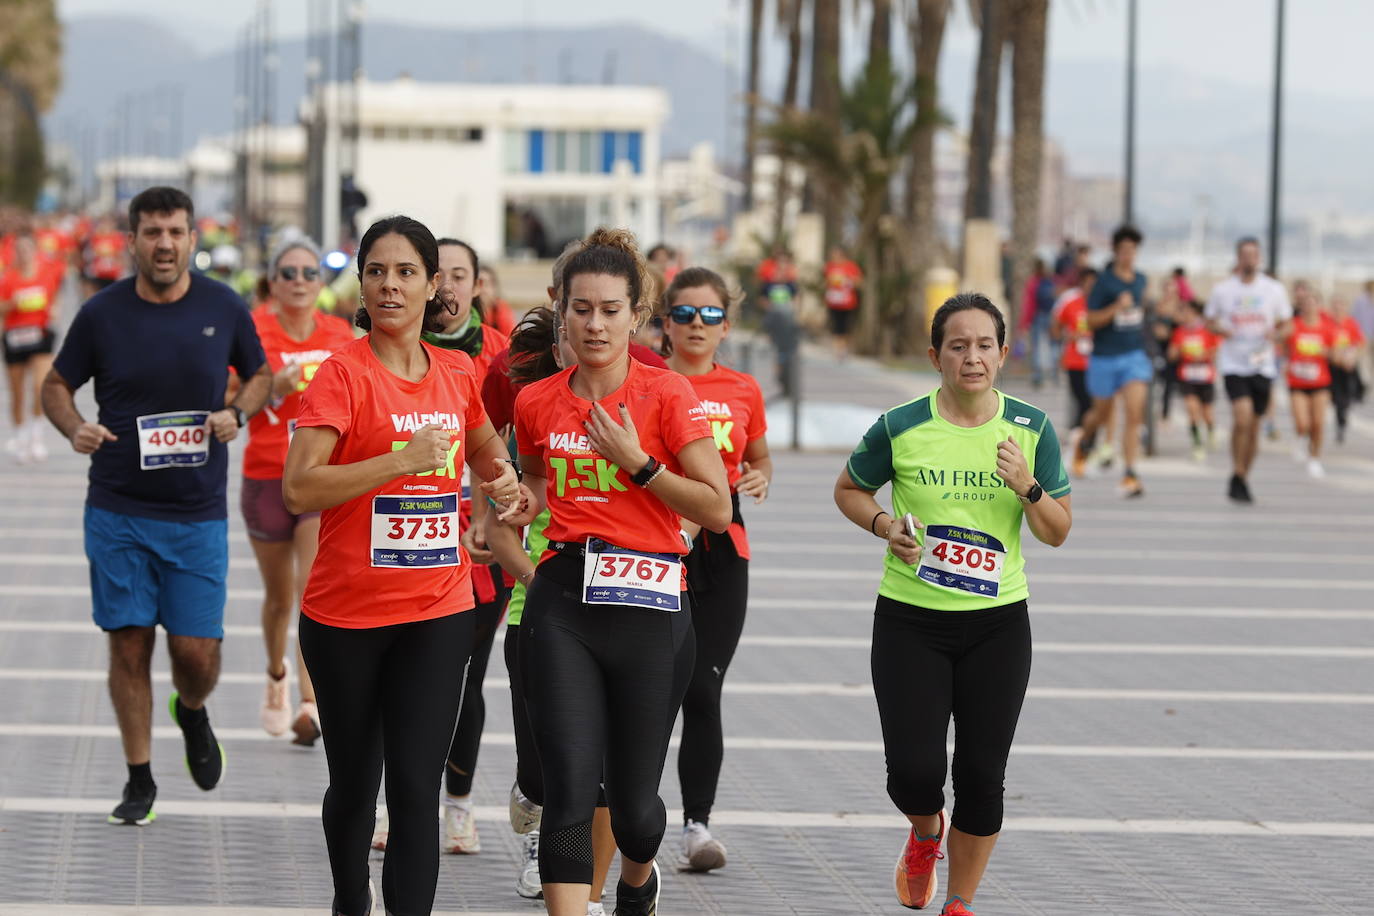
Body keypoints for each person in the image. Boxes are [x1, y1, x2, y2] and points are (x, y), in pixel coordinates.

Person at [282, 215, 522, 916]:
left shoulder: (455, 373)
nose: (391, 284)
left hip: (437, 609)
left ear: (432, 287)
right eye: (378, 271)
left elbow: (487, 455)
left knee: (415, 790)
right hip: (346, 614)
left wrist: (507, 489)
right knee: (355, 786)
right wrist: (398, 462)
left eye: (407, 271)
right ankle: (350, 898)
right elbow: (300, 486)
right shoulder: (342, 375)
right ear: (362, 283)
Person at [505, 227, 731, 916]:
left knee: (633, 809)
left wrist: (641, 464)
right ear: (563, 312)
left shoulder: (666, 396)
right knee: (571, 786)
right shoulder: (537, 401)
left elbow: (717, 509)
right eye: (581, 309)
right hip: (565, 598)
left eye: (610, 310)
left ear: (636, 315)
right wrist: (515, 502)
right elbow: (539, 490)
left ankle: (639, 878)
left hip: (652, 605)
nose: (595, 323)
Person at [834, 292, 1072, 916]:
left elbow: (1057, 529)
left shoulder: (1031, 428)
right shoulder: (902, 425)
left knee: (981, 777)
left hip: (998, 627)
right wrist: (886, 526)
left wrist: (1028, 486)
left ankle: (960, 902)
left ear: (1004, 353)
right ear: (935, 355)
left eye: (985, 345)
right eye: (958, 346)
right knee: (912, 773)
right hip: (911, 621)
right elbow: (849, 490)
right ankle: (923, 831)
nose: (973, 358)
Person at [41, 186, 271, 826]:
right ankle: (139, 777)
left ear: (193, 239)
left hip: (196, 514)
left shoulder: (222, 306)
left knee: (196, 656)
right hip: (117, 509)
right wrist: (73, 427)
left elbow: (259, 374)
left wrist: (238, 412)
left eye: (175, 232)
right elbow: (56, 384)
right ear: (133, 240)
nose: (164, 244)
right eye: (151, 232)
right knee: (129, 645)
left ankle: (191, 711)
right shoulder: (102, 313)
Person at [487, 306, 619, 915]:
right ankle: (533, 803)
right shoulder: (533, 418)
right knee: (542, 763)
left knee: (591, 765)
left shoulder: (631, 413)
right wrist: (542, 581)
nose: (585, 342)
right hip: (534, 611)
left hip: (615, 612)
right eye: (570, 334)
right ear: (558, 343)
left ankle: (579, 881)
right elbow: (499, 531)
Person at [661, 267, 772, 872]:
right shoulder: (646, 380)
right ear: (664, 322)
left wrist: (758, 478)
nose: (696, 325)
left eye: (708, 315)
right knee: (652, 688)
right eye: (683, 314)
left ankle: (697, 827)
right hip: (655, 546)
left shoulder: (743, 390)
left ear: (726, 326)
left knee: (704, 687)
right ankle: (632, 822)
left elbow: (757, 458)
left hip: (724, 552)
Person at [415, 236, 511, 856]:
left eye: (459, 274)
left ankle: (459, 803)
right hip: (409, 533)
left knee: (466, 678)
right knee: (405, 675)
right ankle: (400, 801)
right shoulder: (397, 352)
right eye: (437, 275)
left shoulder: (504, 358)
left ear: (478, 285)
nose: (447, 287)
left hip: (483, 538)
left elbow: (519, 447)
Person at [241, 236, 354, 744]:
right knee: (279, 597)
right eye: (289, 273)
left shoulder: (337, 333)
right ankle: (275, 673)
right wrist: (274, 387)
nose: (301, 282)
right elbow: (226, 397)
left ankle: (310, 703)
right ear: (272, 281)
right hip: (266, 471)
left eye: (310, 273)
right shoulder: (253, 329)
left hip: (317, 475)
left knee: (311, 587)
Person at [1204, 236, 1292, 503]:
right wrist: (1221, 329)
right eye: (1245, 254)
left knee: (1253, 426)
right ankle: (1236, 469)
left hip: (1262, 365)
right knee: (1241, 419)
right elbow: (1209, 320)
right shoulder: (1223, 290)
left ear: (1260, 258)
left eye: (1254, 255)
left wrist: (1276, 335)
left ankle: (1242, 476)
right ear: (1238, 258)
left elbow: (1288, 323)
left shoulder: (1273, 289)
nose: (1249, 259)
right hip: (1234, 363)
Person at [1072, 225, 1151, 497]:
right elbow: (1090, 320)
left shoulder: (1141, 280)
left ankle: (1130, 474)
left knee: (1134, 413)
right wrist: (1116, 307)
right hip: (1105, 357)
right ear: (1116, 252)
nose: (1129, 255)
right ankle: (1083, 444)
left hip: (1134, 356)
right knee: (1100, 415)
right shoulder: (1104, 282)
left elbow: (1142, 310)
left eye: (1133, 250)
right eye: (1124, 250)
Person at [1, 228, 64, 463]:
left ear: (35, 250)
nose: (24, 253)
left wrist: (55, 309)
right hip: (14, 336)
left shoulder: (46, 274)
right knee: (17, 393)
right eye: (19, 250)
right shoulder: (7, 278)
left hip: (40, 334)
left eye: (27, 249)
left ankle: (37, 438)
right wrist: (12, 304)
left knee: (39, 387)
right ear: (14, 252)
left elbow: (54, 296)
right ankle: (20, 437)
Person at [1282, 281, 1336, 479]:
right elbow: (1281, 341)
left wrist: (1329, 352)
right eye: (1305, 303)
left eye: (1313, 303)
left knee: (1318, 423)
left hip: (1320, 381)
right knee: (1302, 423)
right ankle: (1299, 437)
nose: (1309, 306)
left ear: (1319, 305)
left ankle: (1314, 459)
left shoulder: (1327, 327)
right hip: (1297, 381)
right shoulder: (1293, 325)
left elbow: (1336, 353)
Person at [1166, 300, 1220, 461]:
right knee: (1192, 410)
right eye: (1184, 313)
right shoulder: (1179, 332)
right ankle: (1197, 443)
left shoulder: (1206, 331)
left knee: (1207, 413)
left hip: (1204, 376)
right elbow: (1171, 354)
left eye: (1189, 313)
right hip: (1187, 376)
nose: (1186, 316)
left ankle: (1210, 430)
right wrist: (1180, 352)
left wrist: (1202, 355)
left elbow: (1215, 352)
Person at [1049, 267, 1096, 447]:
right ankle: (1082, 436)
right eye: (1088, 283)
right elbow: (1055, 327)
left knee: (1092, 402)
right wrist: (1068, 336)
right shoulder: (1070, 300)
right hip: (1075, 361)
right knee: (1083, 400)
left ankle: (1085, 437)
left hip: (1097, 361)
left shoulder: (1101, 302)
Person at [1328, 296, 1365, 444]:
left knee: (1347, 397)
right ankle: (1340, 419)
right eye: (1335, 307)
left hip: (1348, 366)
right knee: (1336, 398)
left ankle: (1342, 421)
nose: (1338, 310)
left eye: (1340, 307)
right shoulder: (1328, 324)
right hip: (1333, 366)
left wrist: (1352, 357)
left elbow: (1359, 344)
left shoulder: (1351, 324)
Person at [1017, 258, 1056, 388]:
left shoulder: (1033, 282)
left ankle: (1037, 376)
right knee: (1052, 345)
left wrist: (1024, 322)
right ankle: (1054, 374)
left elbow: (1029, 304)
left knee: (1036, 347)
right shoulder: (1050, 281)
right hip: (1050, 316)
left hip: (1037, 316)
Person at [822, 246, 863, 359]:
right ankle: (837, 349)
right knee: (835, 325)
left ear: (842, 254)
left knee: (845, 326)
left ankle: (843, 348)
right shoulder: (829, 266)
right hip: (834, 301)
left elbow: (859, 282)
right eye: (833, 254)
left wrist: (846, 280)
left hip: (847, 301)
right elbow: (825, 281)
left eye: (836, 254)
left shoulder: (851, 267)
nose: (834, 257)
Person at [477, 263, 517, 337]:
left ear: (494, 288)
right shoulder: (464, 314)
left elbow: (510, 340)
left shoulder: (501, 311)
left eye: (486, 284)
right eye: (478, 284)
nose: (482, 289)